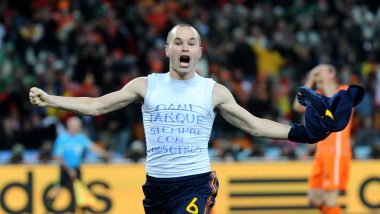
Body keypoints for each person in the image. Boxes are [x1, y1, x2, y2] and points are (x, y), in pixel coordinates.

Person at [30, 24, 356, 214]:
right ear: (167, 50)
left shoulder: (214, 91)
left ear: (200, 51)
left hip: (195, 184)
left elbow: (254, 124)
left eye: (191, 42)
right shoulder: (146, 85)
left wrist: (301, 133)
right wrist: (52, 100)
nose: (184, 47)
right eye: (177, 42)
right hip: (156, 188)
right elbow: (98, 105)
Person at [293, 64, 354, 214]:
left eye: (321, 71)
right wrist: (309, 80)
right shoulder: (318, 94)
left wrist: (324, 83)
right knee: (314, 198)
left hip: (337, 151)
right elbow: (297, 107)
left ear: (333, 74)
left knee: (330, 197)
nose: (317, 74)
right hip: (321, 151)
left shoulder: (346, 91)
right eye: (315, 71)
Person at [47, 116, 109, 212]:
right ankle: (48, 209)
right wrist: (69, 169)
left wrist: (105, 154)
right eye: (77, 125)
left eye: (79, 125)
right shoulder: (62, 138)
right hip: (65, 169)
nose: (79, 127)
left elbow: (93, 147)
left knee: (79, 193)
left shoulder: (80, 138)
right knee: (57, 190)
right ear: (70, 126)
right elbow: (58, 156)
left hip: (76, 169)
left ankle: (81, 211)